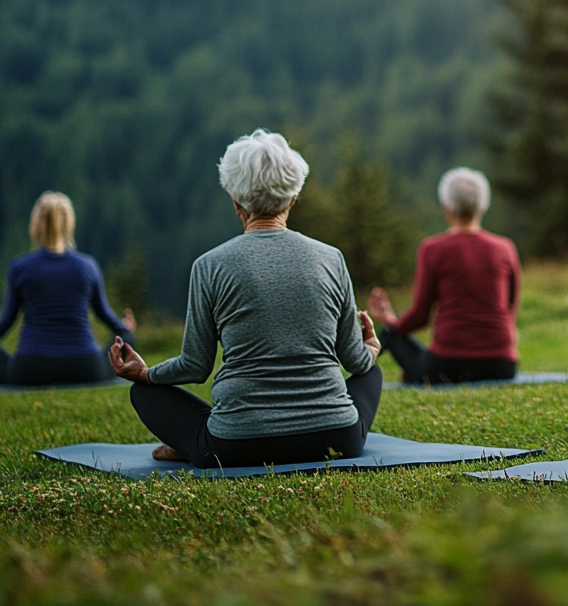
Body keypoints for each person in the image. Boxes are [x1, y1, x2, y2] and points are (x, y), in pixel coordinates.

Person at [107, 129, 383, 468]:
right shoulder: (332, 258)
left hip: (236, 446)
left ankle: (191, 444)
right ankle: (196, 441)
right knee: (372, 374)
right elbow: (355, 363)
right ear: (292, 199)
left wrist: (146, 374)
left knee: (144, 394)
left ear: (236, 201)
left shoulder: (209, 266)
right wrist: (371, 350)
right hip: (337, 440)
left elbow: (195, 366)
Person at [368, 167, 521, 384]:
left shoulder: (432, 249)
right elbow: (510, 310)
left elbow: (421, 315)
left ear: (446, 207)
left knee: (391, 335)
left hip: (448, 365)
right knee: (403, 339)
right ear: (483, 204)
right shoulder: (505, 248)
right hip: (502, 364)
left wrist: (392, 326)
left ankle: (356, 370)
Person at [0, 192, 136, 387]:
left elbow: (6, 322)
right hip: (86, 368)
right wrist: (124, 328)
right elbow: (105, 316)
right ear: (69, 224)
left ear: (36, 224)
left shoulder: (20, 268)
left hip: (30, 369)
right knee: (127, 338)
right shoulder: (87, 266)